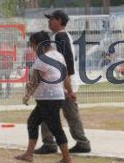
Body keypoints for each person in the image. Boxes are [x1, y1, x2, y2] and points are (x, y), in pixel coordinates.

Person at [15, 31, 74, 163]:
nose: (33, 49)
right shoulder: (58, 56)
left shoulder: (43, 58)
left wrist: (27, 95)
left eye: (33, 45)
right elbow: (65, 76)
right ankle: (29, 154)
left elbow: (36, 80)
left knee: (55, 127)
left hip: (48, 99)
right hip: (52, 97)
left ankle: (67, 159)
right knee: (32, 122)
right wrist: (70, 91)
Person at [37, 9, 91, 155]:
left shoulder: (60, 36)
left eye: (51, 19)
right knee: (54, 113)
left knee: (60, 113)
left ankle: (55, 143)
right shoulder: (58, 36)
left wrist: (67, 85)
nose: (49, 21)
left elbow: (66, 61)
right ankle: (56, 142)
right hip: (61, 82)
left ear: (59, 20)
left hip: (63, 83)